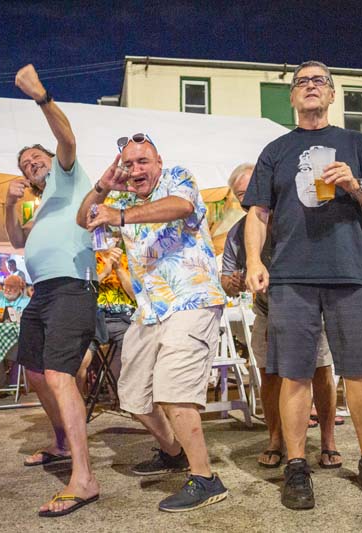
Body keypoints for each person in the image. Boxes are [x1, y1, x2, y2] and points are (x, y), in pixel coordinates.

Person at [242, 60, 362, 509]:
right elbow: (257, 212)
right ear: (292, 97)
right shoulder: (276, 150)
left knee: (360, 373)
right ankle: (296, 466)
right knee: (293, 374)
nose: (311, 86)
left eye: (320, 81)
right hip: (291, 277)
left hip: (350, 273)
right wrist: (253, 260)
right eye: (302, 82)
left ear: (332, 95)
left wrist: (355, 183)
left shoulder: (356, 144)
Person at [77, 132, 228, 513]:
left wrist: (119, 216)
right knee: (132, 394)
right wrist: (103, 187)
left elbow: (180, 206)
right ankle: (174, 452)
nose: (135, 169)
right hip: (148, 309)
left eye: (143, 161)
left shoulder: (177, 177)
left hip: (191, 299)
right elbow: (84, 219)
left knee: (174, 391)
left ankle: (205, 478)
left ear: (158, 163)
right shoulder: (123, 197)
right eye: (128, 164)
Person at [4, 64, 99, 517]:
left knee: (59, 374)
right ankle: (61, 442)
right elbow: (15, 240)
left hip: (72, 287)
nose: (31, 164)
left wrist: (41, 97)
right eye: (25, 164)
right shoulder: (42, 205)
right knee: (37, 374)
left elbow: (68, 139)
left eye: (35, 158)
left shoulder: (68, 175)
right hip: (41, 293)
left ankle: (84, 478)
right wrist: (8, 204)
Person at [220, 163, 342, 469]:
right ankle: (275, 439)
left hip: (309, 307)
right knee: (270, 376)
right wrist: (232, 283)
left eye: (251, 190)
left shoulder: (297, 218)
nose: (248, 198)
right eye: (241, 194)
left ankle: (328, 441)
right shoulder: (238, 233)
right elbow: (227, 280)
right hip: (267, 311)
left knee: (320, 372)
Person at [78, 246, 135, 395]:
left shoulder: (128, 259)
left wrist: (119, 269)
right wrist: (104, 273)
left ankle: (120, 398)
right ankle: (77, 403)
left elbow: (135, 295)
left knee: (133, 354)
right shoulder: (86, 260)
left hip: (122, 318)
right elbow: (82, 292)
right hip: (93, 318)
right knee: (79, 360)